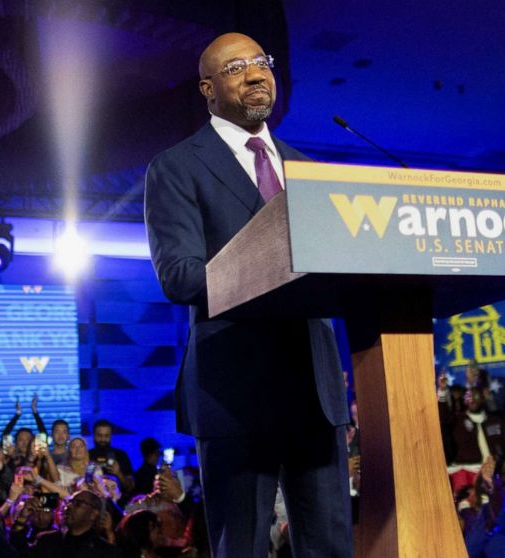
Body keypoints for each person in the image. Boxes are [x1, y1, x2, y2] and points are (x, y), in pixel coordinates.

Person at [144, 32, 351, 558]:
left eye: (263, 63)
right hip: (233, 390)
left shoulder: (309, 170)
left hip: (314, 388)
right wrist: (274, 268)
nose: (257, 74)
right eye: (237, 67)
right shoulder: (177, 166)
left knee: (329, 547)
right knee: (243, 547)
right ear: (207, 89)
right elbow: (181, 275)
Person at [14, 490, 121, 558]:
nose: (68, 507)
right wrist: (22, 519)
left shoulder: (103, 551)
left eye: (77, 504)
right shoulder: (47, 540)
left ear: (93, 514)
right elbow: (18, 553)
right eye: (69, 502)